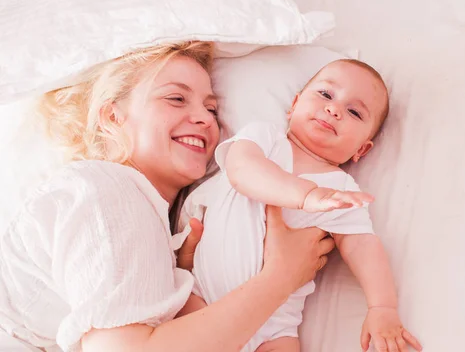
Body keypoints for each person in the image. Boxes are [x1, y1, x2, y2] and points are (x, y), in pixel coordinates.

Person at [0, 41, 335, 352]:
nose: (205, 118)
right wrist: (281, 278)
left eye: (212, 109)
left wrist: (184, 275)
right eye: (176, 98)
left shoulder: (149, 214)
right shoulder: (105, 191)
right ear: (112, 117)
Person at [182, 59, 423, 352]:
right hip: (204, 299)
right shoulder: (266, 139)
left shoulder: (343, 190)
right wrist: (306, 195)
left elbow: (362, 245)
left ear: (362, 149)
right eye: (325, 95)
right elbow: (241, 170)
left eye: (354, 112)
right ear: (294, 105)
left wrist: (382, 306)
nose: (334, 109)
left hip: (274, 328)